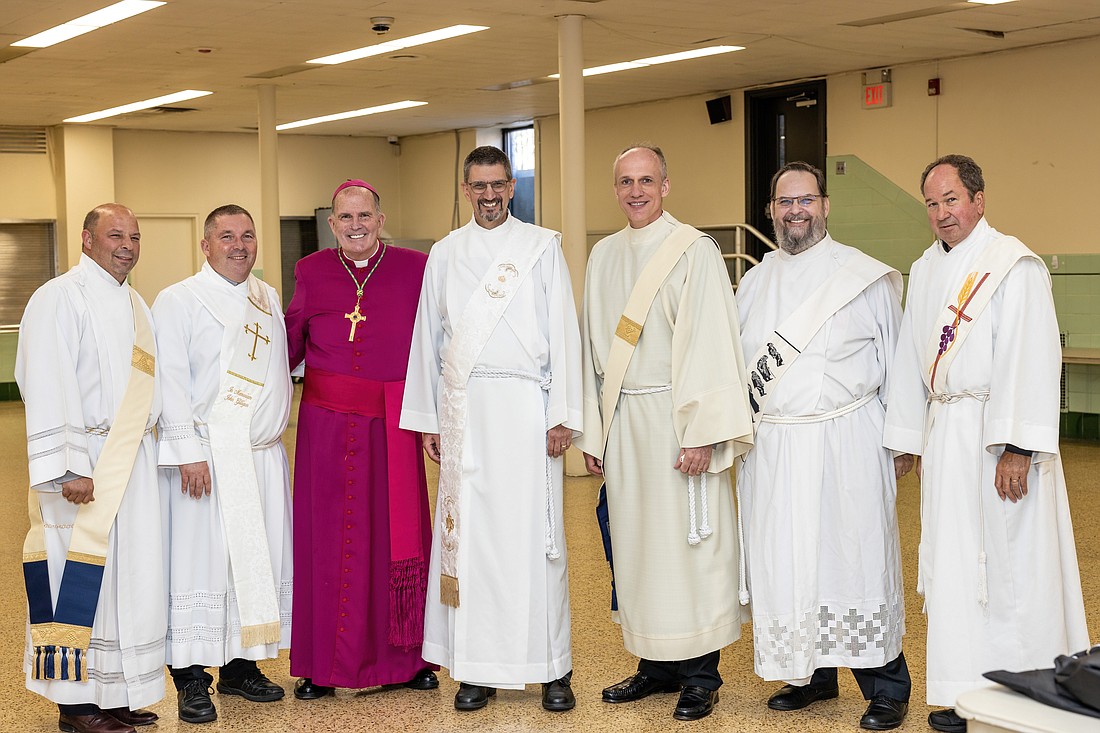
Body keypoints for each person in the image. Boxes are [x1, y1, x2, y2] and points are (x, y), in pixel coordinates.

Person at [884, 154, 1089, 733]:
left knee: (1008, 568)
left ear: (978, 199)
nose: (942, 213)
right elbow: (908, 359)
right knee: (953, 570)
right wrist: (909, 440)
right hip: (948, 437)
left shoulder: (1013, 266)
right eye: (932, 203)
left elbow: (1032, 358)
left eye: (952, 199)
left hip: (996, 440)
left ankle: (1024, 690)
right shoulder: (924, 270)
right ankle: (962, 694)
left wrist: (1018, 447)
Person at [577, 145, 754, 721]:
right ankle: (654, 665)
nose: (636, 191)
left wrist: (701, 431)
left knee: (689, 547)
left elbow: (709, 342)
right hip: (624, 420)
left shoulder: (694, 251)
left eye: (646, 180)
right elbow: (590, 350)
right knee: (636, 546)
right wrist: (596, 432)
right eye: (626, 181)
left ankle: (702, 676)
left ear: (666, 185)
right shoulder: (602, 254)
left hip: (676, 421)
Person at [401, 145, 581, 713]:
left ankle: (551, 668)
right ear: (465, 189)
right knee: (473, 545)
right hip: (467, 414)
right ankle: (475, 669)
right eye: (478, 186)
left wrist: (563, 413)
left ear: (511, 187)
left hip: (528, 411)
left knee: (537, 542)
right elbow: (428, 339)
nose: (489, 195)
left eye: (498, 184)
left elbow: (565, 331)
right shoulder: (446, 254)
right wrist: (428, 419)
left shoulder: (541, 247)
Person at [735, 162, 910, 731]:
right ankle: (810, 674)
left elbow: (900, 365)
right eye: (784, 202)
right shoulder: (755, 281)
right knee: (789, 560)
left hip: (847, 440)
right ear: (771, 210)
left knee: (854, 559)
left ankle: (887, 686)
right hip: (778, 446)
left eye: (805, 199)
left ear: (825, 205)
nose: (795, 211)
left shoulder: (864, 277)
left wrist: (904, 438)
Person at [285, 179, 436, 698]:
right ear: (332, 224)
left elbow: (437, 341)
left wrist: (437, 413)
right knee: (325, 541)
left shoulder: (417, 267)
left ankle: (407, 661)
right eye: (346, 218)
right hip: (325, 425)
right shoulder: (311, 271)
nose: (356, 226)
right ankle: (319, 665)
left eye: (364, 216)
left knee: (397, 539)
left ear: (380, 216)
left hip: (393, 423)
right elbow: (288, 340)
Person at [17, 204, 165, 733]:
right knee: (76, 581)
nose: (127, 245)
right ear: (86, 239)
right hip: (84, 470)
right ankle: (76, 706)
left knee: (128, 581)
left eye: (135, 236)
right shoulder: (59, 297)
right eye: (115, 235)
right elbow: (46, 383)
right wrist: (68, 468)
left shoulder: (136, 305)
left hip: (133, 467)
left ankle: (115, 691)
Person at [152, 205, 292, 723]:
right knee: (201, 564)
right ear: (205, 245)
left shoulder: (265, 296)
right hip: (208, 457)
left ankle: (240, 666)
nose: (240, 245)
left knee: (254, 564)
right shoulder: (178, 300)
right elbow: (170, 378)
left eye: (248, 236)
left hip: (261, 457)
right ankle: (190, 678)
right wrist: (187, 450)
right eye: (227, 236)